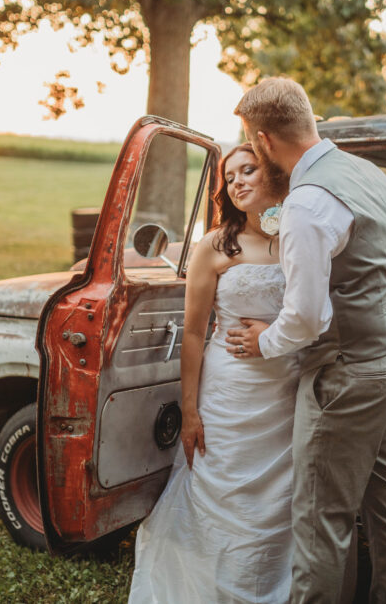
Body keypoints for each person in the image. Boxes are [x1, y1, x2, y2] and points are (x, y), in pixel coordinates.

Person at [228, 77, 386, 604]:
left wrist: (265, 339)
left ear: (264, 141)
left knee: (321, 520)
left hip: (348, 377)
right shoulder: (367, 174)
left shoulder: (308, 204)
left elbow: (307, 318)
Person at [128, 143, 299, 604]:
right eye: (230, 176)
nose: (239, 181)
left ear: (276, 176)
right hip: (228, 390)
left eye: (250, 170)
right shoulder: (215, 245)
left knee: (280, 498)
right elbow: (193, 334)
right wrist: (189, 410)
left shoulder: (301, 237)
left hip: (287, 390)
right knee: (218, 487)